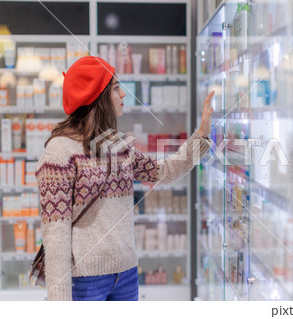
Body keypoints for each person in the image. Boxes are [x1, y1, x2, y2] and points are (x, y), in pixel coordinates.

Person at [35, 56, 214, 301]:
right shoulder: (59, 152)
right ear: (98, 96)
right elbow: (55, 235)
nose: (124, 94)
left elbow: (162, 172)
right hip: (85, 281)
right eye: (117, 87)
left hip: (127, 276)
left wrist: (202, 134)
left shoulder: (117, 145)